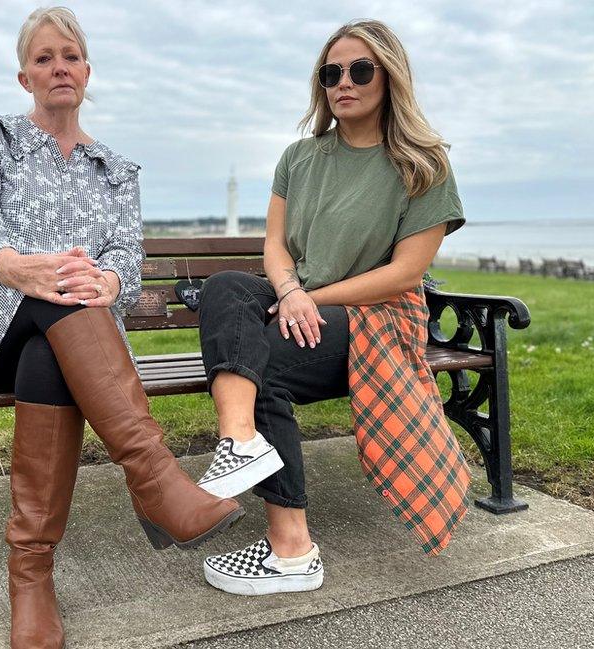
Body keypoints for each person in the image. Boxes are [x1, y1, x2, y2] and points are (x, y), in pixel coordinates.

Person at [0, 7, 243, 647]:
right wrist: (22, 269)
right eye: (44, 58)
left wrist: (112, 282)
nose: (58, 66)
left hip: (65, 341)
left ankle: (30, 576)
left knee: (53, 350)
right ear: (24, 78)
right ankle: (156, 483)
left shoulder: (116, 170)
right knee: (64, 290)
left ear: (87, 72)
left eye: (69, 56)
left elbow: (125, 255)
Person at [194, 19, 471, 596]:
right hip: (302, 297)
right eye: (331, 73)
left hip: (378, 314)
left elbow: (404, 273)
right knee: (224, 285)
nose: (344, 82)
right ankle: (239, 439)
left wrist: (305, 298)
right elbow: (274, 246)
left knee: (262, 358)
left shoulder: (423, 166)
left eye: (360, 70)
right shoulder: (299, 157)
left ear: (389, 77)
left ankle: (292, 551)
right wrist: (290, 291)